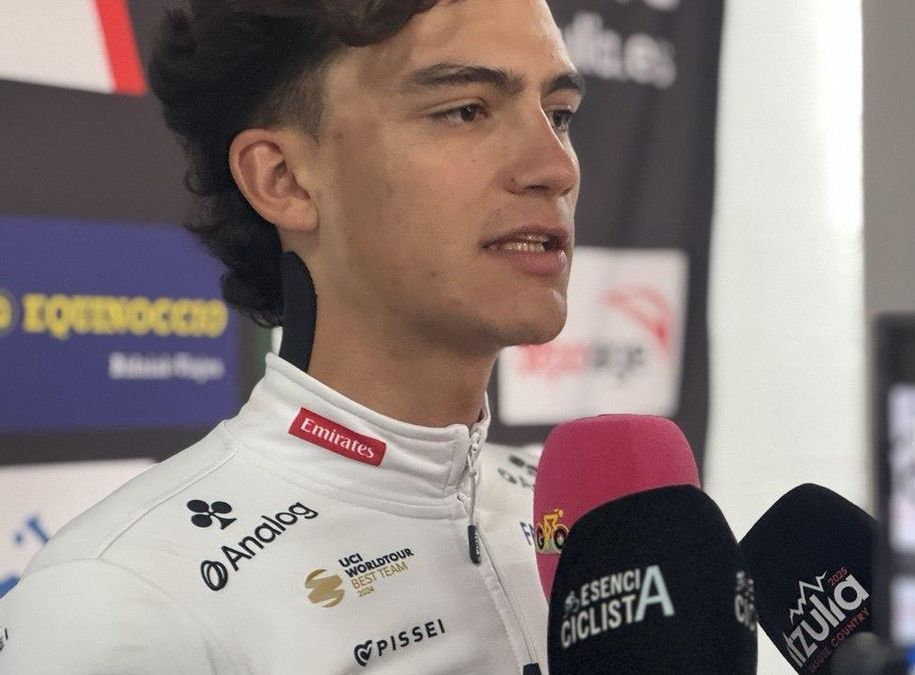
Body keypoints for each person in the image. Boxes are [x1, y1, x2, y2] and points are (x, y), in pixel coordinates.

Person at [0, 0, 583, 672]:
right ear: (282, 179)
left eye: (559, 115)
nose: (556, 167)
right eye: (465, 111)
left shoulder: (590, 518)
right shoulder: (118, 597)